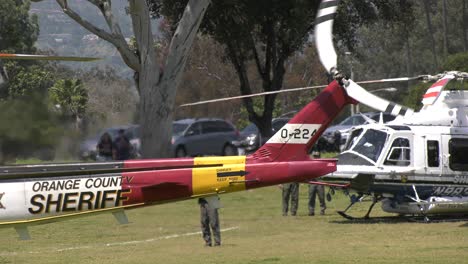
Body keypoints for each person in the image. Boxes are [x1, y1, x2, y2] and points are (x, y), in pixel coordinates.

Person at [308, 151, 326, 216]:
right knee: (311, 197)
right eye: (315, 156)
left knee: (321, 197)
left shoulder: (322, 162)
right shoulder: (310, 163)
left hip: (320, 181)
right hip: (312, 182)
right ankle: (311, 211)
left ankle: (322, 210)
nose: (316, 157)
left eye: (317, 156)